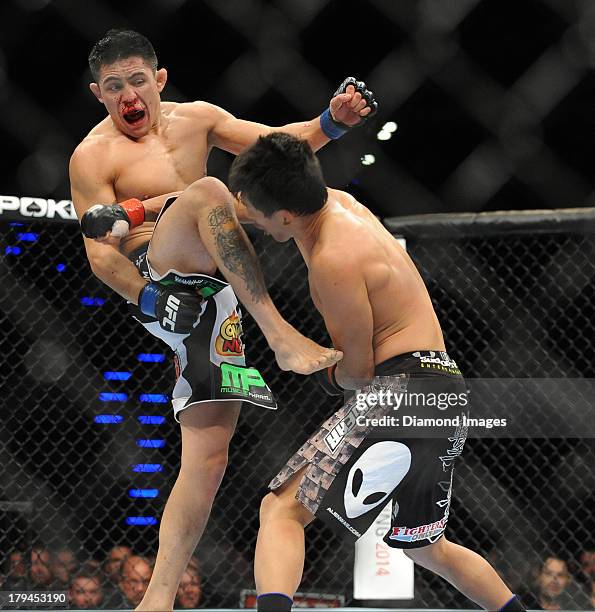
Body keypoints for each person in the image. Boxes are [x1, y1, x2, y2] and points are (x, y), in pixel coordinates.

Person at [70, 29, 375, 611]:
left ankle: (156, 598)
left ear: (158, 80)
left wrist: (330, 123)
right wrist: (149, 301)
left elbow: (275, 148)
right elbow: (99, 254)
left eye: (137, 80)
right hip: (159, 278)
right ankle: (281, 335)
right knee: (210, 189)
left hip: (217, 295)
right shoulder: (93, 155)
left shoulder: (198, 119)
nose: (128, 94)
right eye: (114, 87)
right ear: (98, 94)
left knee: (208, 458)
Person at [227, 132, 527, 612]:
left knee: (282, 509)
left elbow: (359, 371)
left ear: (283, 216)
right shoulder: (341, 204)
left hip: (400, 387)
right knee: (425, 545)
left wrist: (317, 369)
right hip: (445, 389)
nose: (255, 223)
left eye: (261, 217)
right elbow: (249, 201)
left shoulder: (333, 260)